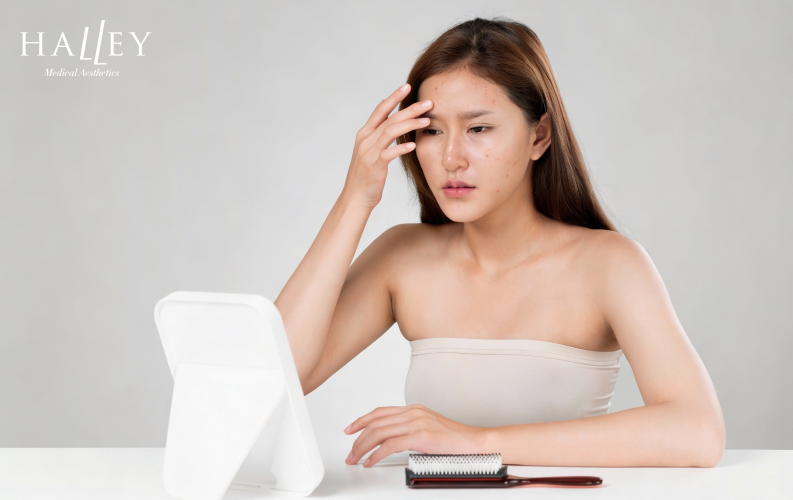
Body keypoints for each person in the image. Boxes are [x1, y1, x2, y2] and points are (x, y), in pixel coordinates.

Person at [274, 17, 725, 468]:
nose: (451, 157)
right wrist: (355, 198)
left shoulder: (608, 265)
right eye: (431, 131)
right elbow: (276, 377)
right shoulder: (402, 259)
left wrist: (475, 441)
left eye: (478, 129)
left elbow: (697, 432)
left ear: (539, 135)